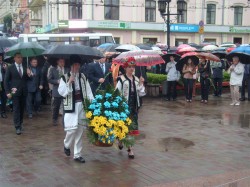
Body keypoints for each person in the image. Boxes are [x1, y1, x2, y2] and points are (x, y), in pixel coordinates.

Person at [58, 55, 94, 163]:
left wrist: (92, 104)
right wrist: (69, 82)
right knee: (71, 130)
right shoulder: (64, 77)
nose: (77, 67)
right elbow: (62, 92)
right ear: (71, 65)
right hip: (71, 106)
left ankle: (77, 154)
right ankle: (66, 144)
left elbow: (88, 92)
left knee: (80, 130)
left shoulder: (83, 77)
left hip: (81, 105)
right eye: (75, 65)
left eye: (78, 64)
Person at [116, 57, 145, 159]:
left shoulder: (137, 79)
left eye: (133, 67)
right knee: (123, 127)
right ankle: (122, 142)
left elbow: (141, 93)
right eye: (129, 67)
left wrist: (141, 83)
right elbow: (116, 93)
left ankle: (129, 148)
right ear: (125, 68)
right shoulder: (121, 79)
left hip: (134, 107)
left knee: (131, 128)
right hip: (124, 108)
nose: (131, 69)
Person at [4, 53, 29, 135]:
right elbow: (6, 81)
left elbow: (28, 79)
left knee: (22, 109)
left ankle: (21, 122)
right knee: (16, 109)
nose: (20, 59)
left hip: (23, 91)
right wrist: (7, 92)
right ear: (14, 58)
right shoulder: (10, 68)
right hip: (14, 92)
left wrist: (30, 74)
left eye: (21, 57)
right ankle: (17, 126)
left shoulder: (25, 67)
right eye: (18, 57)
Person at [48, 58, 69, 125]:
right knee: (56, 106)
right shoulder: (53, 69)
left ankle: (65, 119)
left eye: (63, 62)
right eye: (61, 62)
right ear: (57, 62)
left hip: (65, 90)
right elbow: (49, 79)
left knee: (66, 105)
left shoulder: (67, 69)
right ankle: (55, 119)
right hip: (56, 90)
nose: (62, 63)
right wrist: (56, 81)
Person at [0, 54, 8, 118]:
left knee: (4, 98)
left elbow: (8, 73)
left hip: (3, 83)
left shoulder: (5, 64)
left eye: (1, 57)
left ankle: (3, 112)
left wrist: (6, 69)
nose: (0, 58)